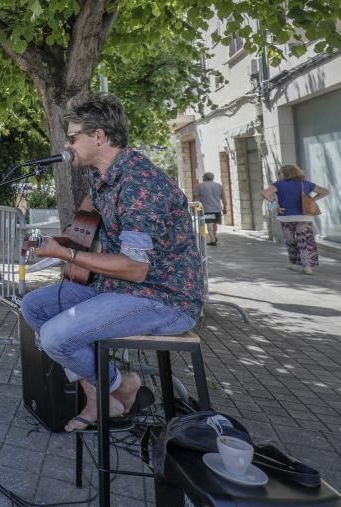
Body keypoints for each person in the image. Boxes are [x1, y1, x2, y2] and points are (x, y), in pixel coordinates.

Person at [19, 93, 203, 433]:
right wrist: (66, 239)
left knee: (56, 336)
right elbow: (90, 209)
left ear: (99, 136)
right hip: (121, 287)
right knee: (33, 307)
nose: (68, 145)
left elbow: (136, 268)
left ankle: (122, 387)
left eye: (73, 138)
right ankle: (101, 396)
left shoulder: (138, 185)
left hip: (162, 296)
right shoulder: (102, 175)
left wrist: (68, 255)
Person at [262, 165, 329, 275]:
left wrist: (275, 204)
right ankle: (307, 266)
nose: (278, 175)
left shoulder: (278, 184)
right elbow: (325, 191)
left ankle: (294, 264)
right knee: (304, 241)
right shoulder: (306, 183)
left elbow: (265, 193)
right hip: (304, 217)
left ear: (285, 174)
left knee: (291, 241)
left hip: (286, 217)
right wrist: (312, 199)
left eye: (280, 173)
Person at [194, 172, 225, 246]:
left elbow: (196, 197)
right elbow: (223, 198)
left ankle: (212, 239)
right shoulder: (219, 186)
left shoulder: (200, 186)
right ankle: (213, 237)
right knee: (214, 224)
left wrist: (194, 206)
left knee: (209, 224)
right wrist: (225, 208)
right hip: (217, 208)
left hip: (207, 209)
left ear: (204, 177)